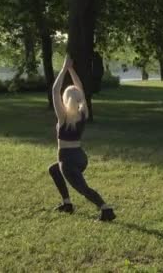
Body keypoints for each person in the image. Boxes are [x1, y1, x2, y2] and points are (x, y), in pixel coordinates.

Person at [48, 55, 116, 221]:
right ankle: (67, 203)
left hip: (67, 159)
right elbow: (81, 89)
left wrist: (64, 69)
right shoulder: (83, 113)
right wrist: (71, 70)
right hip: (80, 156)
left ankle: (106, 209)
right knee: (53, 170)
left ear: (65, 99)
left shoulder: (63, 117)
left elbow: (55, 90)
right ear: (79, 98)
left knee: (83, 189)